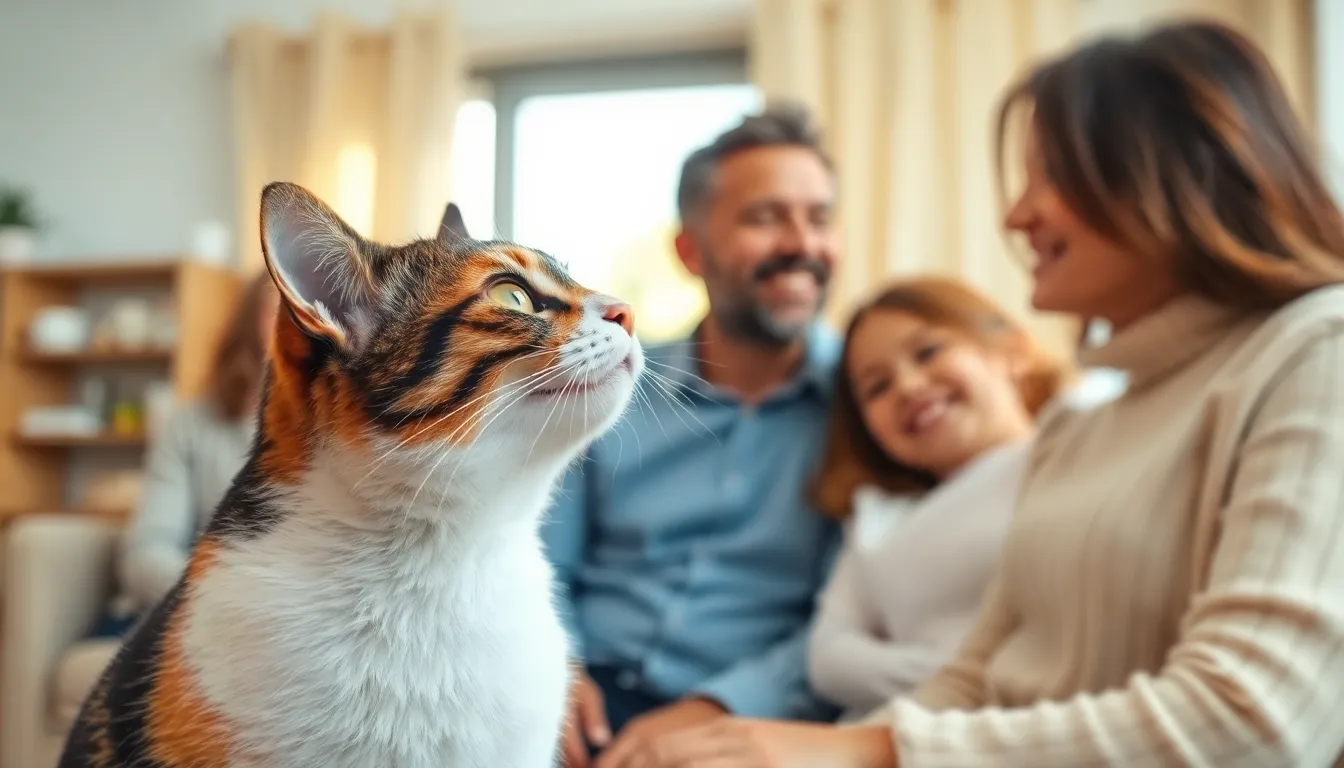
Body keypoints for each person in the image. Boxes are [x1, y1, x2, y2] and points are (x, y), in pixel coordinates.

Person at [639, 20, 1344, 767]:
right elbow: (977, 675)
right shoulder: (1086, 427)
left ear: (1163, 173)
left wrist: (864, 752)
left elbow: (1257, 718)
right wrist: (808, 748)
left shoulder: (1314, 351)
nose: (1016, 215)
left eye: (1048, 176)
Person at [542, 105, 844, 768]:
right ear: (690, 251)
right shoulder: (611, 389)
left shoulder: (870, 410)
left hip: (745, 721)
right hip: (573, 700)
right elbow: (542, 562)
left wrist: (718, 708)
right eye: (766, 217)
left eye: (819, 217)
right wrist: (553, 666)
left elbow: (850, 617)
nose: (802, 243)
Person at [805, 277, 1063, 721]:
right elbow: (829, 659)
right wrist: (966, 676)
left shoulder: (1072, 450)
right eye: (877, 387)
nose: (907, 386)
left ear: (1011, 350)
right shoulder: (879, 516)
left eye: (928, 352)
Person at [99, 270, 278, 634]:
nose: (304, 322)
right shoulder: (191, 426)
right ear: (252, 323)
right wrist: (222, 598)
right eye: (283, 309)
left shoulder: (356, 434)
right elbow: (147, 550)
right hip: (189, 611)